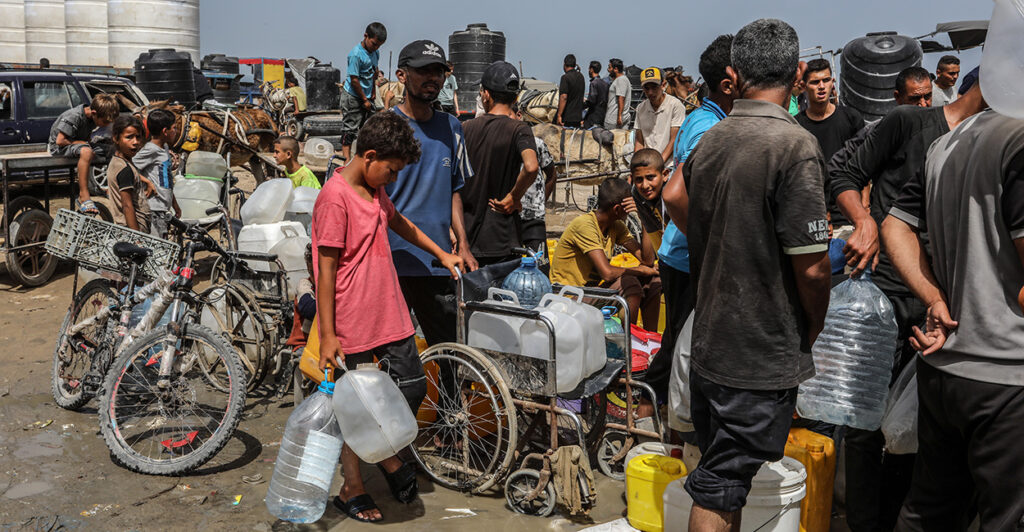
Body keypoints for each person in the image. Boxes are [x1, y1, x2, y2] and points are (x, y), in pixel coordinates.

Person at [681, 19, 832, 532]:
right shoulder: (794, 145)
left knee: (723, 473)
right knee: (722, 482)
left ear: (733, 73)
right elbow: (812, 264)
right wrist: (813, 325)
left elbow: (676, 198)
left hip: (711, 337)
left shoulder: (713, 136)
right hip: (756, 347)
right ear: (798, 73)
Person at [830, 79, 988, 532]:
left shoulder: (987, 146)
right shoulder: (908, 122)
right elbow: (842, 173)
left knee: (919, 431)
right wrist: (865, 221)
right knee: (863, 427)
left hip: (944, 309)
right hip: (880, 298)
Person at [313, 111, 463, 523]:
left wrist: (441, 253)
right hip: (353, 315)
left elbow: (401, 223)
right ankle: (352, 487)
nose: (394, 179)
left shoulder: (376, 192)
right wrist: (328, 334)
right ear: (370, 156)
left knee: (411, 385)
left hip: (389, 308)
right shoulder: (335, 197)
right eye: (392, 171)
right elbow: (324, 270)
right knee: (355, 405)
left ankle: (388, 456)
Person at [881, 107, 1024, 532]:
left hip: (946, 368)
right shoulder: (1018, 140)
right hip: (1008, 377)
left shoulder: (948, 143)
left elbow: (894, 225)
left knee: (931, 511)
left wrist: (933, 298)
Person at [658, 33, 737, 414]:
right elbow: (675, 194)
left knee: (676, 341)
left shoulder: (702, 117)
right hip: (686, 255)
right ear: (729, 83)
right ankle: (660, 417)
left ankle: (656, 411)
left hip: (679, 251)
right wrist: (705, 241)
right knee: (681, 346)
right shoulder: (709, 129)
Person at [388, 39, 476, 347]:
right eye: (424, 71)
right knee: (387, 354)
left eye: (439, 71)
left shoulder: (452, 127)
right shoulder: (385, 126)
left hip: (437, 261)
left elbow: (455, 190)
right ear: (402, 75)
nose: (433, 78)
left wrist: (463, 244)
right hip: (390, 258)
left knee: (449, 349)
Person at [825, 65, 932, 241]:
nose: (923, 104)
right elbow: (836, 169)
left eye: (927, 96)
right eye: (915, 98)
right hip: (889, 234)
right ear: (898, 97)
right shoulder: (878, 132)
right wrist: (861, 217)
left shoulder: (942, 131)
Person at [550, 177, 661, 332]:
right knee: (629, 283)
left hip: (594, 292)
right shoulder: (584, 225)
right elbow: (607, 273)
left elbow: (647, 260)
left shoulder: (616, 226)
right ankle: (629, 342)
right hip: (569, 299)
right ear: (617, 209)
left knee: (654, 279)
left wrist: (644, 218)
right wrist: (640, 270)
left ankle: (650, 340)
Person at [461, 61, 539, 265]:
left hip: (465, 233)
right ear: (515, 98)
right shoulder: (519, 129)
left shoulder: (465, 128)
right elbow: (531, 167)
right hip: (500, 235)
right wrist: (514, 197)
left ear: (485, 95)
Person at [796, 59, 865, 233]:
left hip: (849, 213)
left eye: (826, 80)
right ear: (804, 86)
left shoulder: (851, 118)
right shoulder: (796, 126)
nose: (821, 86)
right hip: (814, 216)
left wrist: (864, 206)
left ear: (832, 82)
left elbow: (865, 164)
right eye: (815, 82)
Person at [47, 93, 119, 214]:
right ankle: (83, 195)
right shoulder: (74, 116)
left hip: (78, 144)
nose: (106, 125)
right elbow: (60, 141)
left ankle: (113, 189)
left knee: (114, 149)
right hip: (60, 148)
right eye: (105, 122)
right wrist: (82, 143)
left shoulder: (91, 118)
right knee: (86, 152)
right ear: (94, 113)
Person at [340, 22, 387, 161]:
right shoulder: (355, 55)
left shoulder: (375, 53)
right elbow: (354, 79)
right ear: (366, 36)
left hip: (368, 95)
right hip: (353, 96)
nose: (376, 47)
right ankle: (346, 161)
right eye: (374, 44)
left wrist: (372, 92)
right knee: (349, 129)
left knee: (368, 129)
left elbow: (374, 72)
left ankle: (361, 158)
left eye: (379, 45)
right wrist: (364, 100)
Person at [133, 109, 180, 238]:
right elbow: (128, 167)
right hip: (153, 209)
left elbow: (167, 181)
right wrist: (147, 181)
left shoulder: (163, 149)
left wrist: (175, 204)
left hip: (163, 209)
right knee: (157, 247)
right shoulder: (150, 150)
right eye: (174, 128)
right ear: (165, 131)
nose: (176, 132)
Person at [105, 115, 154, 233]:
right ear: (116, 138)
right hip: (135, 228)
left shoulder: (118, 162)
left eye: (138, 137)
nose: (135, 142)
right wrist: (137, 237)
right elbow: (127, 206)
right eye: (129, 137)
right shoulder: (125, 169)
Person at [633, 67, 686, 162]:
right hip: (648, 163)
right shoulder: (641, 108)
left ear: (663, 85)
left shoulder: (675, 105)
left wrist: (658, 164)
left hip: (668, 164)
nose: (650, 92)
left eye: (654, 87)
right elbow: (639, 141)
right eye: (646, 88)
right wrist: (636, 165)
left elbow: (674, 140)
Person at [284, 243, 316, 349]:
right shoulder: (305, 285)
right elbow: (309, 309)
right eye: (312, 272)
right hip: (304, 344)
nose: (316, 277)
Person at [555, 54, 585, 128]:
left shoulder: (565, 78)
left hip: (567, 118)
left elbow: (563, 97)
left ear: (564, 64)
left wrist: (559, 115)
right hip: (578, 117)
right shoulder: (581, 76)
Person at [605, 58, 632, 130]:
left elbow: (621, 98)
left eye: (609, 67)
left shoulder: (621, 80)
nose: (608, 70)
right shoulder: (619, 80)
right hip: (615, 119)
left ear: (616, 69)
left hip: (614, 120)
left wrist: (619, 117)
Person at [583, 60, 610, 129]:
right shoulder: (605, 83)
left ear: (591, 69)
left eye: (589, 69)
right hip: (602, 116)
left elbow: (591, 101)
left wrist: (581, 106)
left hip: (592, 118)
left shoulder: (594, 83)